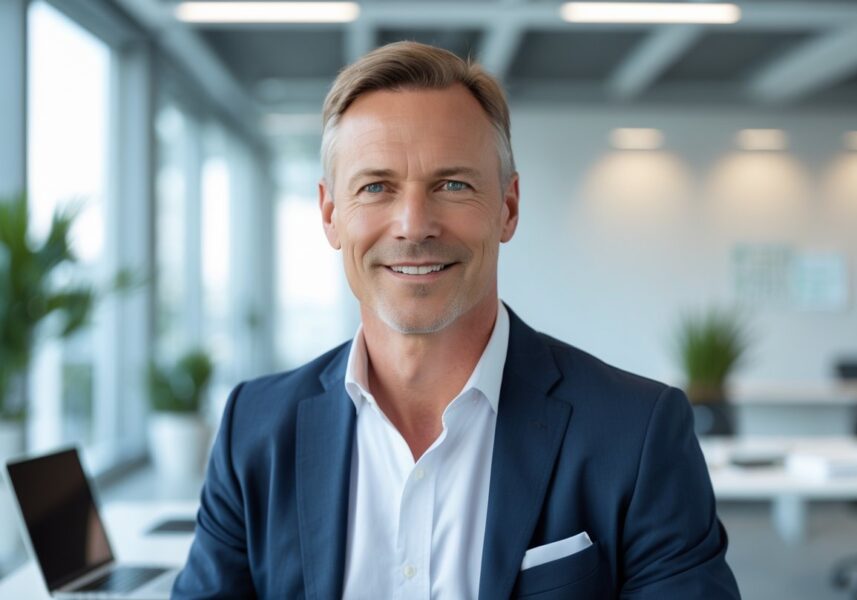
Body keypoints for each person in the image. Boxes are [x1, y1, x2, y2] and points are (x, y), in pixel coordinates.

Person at [173, 41, 741, 599]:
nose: (413, 225)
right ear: (330, 216)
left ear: (508, 208)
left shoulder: (637, 434)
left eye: (452, 185)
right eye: (376, 186)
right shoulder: (255, 429)